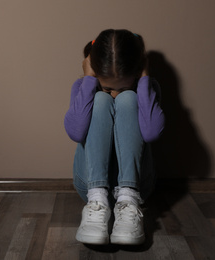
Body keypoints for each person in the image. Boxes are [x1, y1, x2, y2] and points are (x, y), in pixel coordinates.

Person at [64, 29, 165, 245]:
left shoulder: (147, 88)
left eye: (123, 87)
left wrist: (143, 81)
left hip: (137, 187)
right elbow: (76, 132)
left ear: (138, 72)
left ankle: (128, 201)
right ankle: (97, 202)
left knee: (129, 100)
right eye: (109, 88)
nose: (115, 95)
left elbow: (152, 132)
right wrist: (90, 81)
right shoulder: (83, 86)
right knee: (100, 101)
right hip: (90, 186)